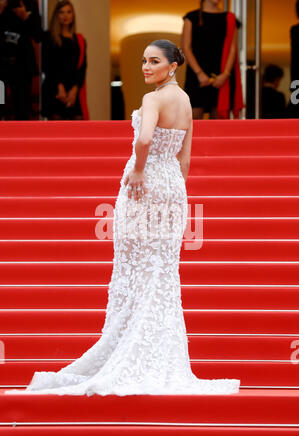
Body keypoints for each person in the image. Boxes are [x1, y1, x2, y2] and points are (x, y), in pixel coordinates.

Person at [5, 40, 240, 396]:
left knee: (134, 268)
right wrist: (171, 186)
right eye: (144, 60)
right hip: (173, 189)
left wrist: (142, 171)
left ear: (173, 65)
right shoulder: (186, 102)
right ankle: (156, 354)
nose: (146, 67)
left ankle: (126, 350)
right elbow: (186, 161)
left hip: (141, 190)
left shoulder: (152, 100)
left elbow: (144, 139)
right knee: (161, 270)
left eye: (154, 61)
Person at [181, 0, 244, 119]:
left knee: (219, 124)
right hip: (196, 76)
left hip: (221, 77)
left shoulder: (230, 18)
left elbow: (232, 49)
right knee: (193, 121)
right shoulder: (191, 17)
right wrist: (199, 73)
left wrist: (225, 75)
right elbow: (186, 47)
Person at [41, 0, 89, 120]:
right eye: (61, 12)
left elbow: (82, 67)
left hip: (73, 91)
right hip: (54, 89)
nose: (65, 16)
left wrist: (74, 90)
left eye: (68, 12)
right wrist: (59, 87)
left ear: (73, 15)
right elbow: (47, 65)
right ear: (57, 15)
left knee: (78, 129)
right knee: (56, 132)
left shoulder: (80, 40)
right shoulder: (49, 37)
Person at [0, 0, 42, 120]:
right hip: (1, 68)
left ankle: (22, 136)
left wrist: (25, 17)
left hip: (22, 67)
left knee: (22, 109)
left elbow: (38, 35)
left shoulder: (29, 3)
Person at [286, 0, 299, 118]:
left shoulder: (295, 30)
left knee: (295, 108)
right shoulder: (295, 30)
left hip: (297, 79)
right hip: (297, 79)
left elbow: (294, 61)